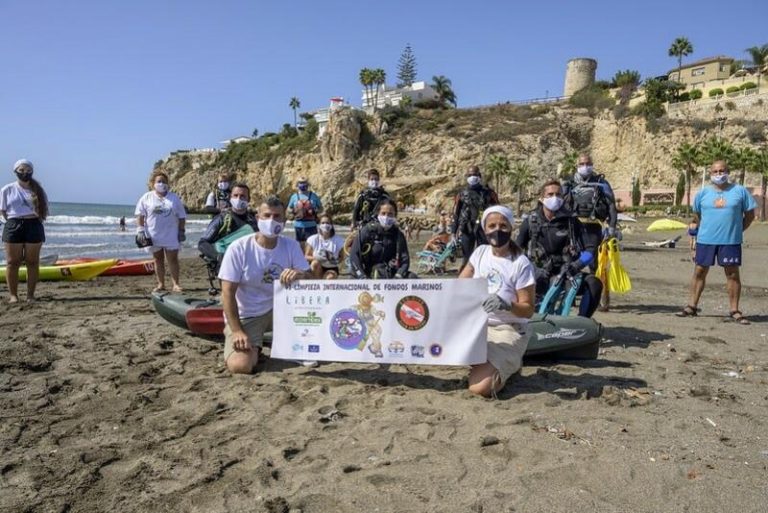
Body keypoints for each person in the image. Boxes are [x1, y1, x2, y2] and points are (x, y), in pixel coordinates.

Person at [218, 196, 311, 374]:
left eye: (277, 216)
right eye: (267, 215)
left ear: (284, 220)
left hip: (283, 312)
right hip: (249, 314)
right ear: (257, 218)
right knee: (241, 366)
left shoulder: (290, 246)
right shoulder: (239, 248)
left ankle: (283, 344)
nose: (272, 221)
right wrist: (237, 331)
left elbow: (312, 279)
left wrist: (301, 274)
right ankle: (246, 341)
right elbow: (227, 292)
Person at [458, 205, 535, 398]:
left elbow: (528, 310)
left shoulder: (520, 263)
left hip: (508, 328)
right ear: (485, 229)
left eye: (503, 225)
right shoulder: (480, 252)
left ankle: (509, 363)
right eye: (492, 225)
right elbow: (460, 285)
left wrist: (507, 304)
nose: (497, 230)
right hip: (479, 324)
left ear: (511, 228)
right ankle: (494, 363)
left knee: (480, 388)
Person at [677, 160, 756, 324]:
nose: (719, 174)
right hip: (706, 240)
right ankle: (691, 306)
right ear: (711, 174)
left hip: (730, 241)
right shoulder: (703, 193)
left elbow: (749, 216)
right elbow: (698, 216)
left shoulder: (740, 192)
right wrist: (697, 235)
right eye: (715, 171)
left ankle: (734, 310)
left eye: (722, 171)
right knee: (699, 271)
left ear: (728, 172)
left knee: (732, 274)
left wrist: (736, 230)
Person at [516, 179, 602, 318]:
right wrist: (531, 268)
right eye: (550, 194)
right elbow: (515, 251)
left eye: (558, 194)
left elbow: (590, 249)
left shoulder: (572, 221)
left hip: (566, 274)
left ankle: (581, 322)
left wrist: (576, 265)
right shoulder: (531, 221)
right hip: (538, 276)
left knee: (594, 284)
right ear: (541, 198)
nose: (554, 198)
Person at [562, 153, 617, 310]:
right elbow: (560, 204)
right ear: (577, 165)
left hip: (594, 228)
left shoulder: (601, 183)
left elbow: (612, 207)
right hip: (573, 228)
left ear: (592, 164)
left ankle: (600, 299)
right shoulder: (569, 184)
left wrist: (611, 228)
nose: (585, 166)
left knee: (596, 264)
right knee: (570, 262)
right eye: (582, 163)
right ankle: (569, 296)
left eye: (587, 163)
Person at [1, 159, 49, 303]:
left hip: (33, 225)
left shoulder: (38, 190)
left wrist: (35, 215)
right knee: (12, 262)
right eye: (21, 170)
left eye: (28, 170)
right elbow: (2, 211)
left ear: (32, 171)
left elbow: (44, 212)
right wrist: (12, 222)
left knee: (32, 262)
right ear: (15, 171)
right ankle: (13, 295)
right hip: (13, 224)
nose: (25, 173)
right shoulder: (7, 189)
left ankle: (30, 295)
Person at [135, 170, 187, 292]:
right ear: (153, 183)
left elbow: (181, 216)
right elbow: (140, 215)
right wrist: (140, 230)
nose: (161, 184)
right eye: (159, 181)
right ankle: (161, 284)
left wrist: (181, 231)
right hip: (153, 235)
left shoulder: (174, 198)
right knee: (158, 260)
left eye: (164, 181)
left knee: (173, 260)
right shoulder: (146, 197)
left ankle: (176, 284)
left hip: (171, 235)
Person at [349, 199, 414, 279]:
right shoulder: (367, 231)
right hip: (368, 274)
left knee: (412, 277)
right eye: (383, 213)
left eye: (390, 214)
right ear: (378, 214)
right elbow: (354, 255)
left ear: (395, 215)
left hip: (391, 275)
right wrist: (362, 276)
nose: (386, 217)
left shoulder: (398, 235)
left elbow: (405, 261)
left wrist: (398, 276)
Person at [198, 182, 259, 265]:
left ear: (249, 199)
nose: (239, 199)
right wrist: (218, 256)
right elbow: (202, 243)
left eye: (243, 196)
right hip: (227, 267)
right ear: (230, 198)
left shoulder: (254, 221)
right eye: (236, 195)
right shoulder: (222, 219)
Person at [451, 165, 498, 271]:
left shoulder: (488, 193)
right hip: (467, 229)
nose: (472, 177)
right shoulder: (461, 194)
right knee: (467, 257)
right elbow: (455, 214)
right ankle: (466, 280)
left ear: (479, 176)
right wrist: (453, 233)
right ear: (467, 177)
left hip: (483, 229)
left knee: (485, 256)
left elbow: (498, 211)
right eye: (470, 175)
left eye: (475, 175)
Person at [305, 214, 345, 279]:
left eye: (327, 223)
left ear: (331, 225)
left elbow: (342, 257)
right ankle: (317, 285)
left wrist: (334, 260)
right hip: (318, 266)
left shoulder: (338, 240)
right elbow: (306, 256)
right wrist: (317, 259)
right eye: (323, 223)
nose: (325, 225)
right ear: (319, 225)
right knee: (315, 264)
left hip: (331, 267)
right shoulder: (313, 239)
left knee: (330, 278)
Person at [287, 177, 323, 249]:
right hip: (298, 226)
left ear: (308, 184)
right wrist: (295, 211)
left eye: (304, 183)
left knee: (312, 246)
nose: (302, 185)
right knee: (300, 247)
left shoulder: (314, 196)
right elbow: (288, 209)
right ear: (297, 184)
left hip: (311, 226)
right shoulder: (294, 197)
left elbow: (321, 208)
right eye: (301, 183)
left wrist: (314, 211)